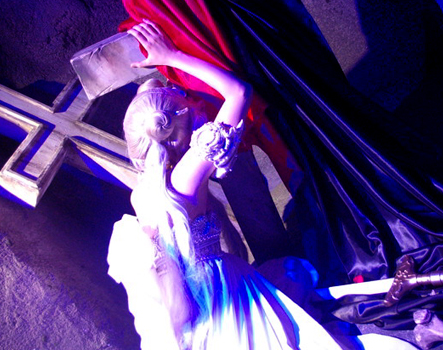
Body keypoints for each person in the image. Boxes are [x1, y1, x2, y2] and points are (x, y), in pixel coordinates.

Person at [107, 19, 416, 350]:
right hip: (222, 290)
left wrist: (158, 94)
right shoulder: (188, 175)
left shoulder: (144, 191)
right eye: (184, 100)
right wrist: (173, 56)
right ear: (179, 130)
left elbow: (152, 112)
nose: (191, 102)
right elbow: (239, 93)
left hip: (197, 301)